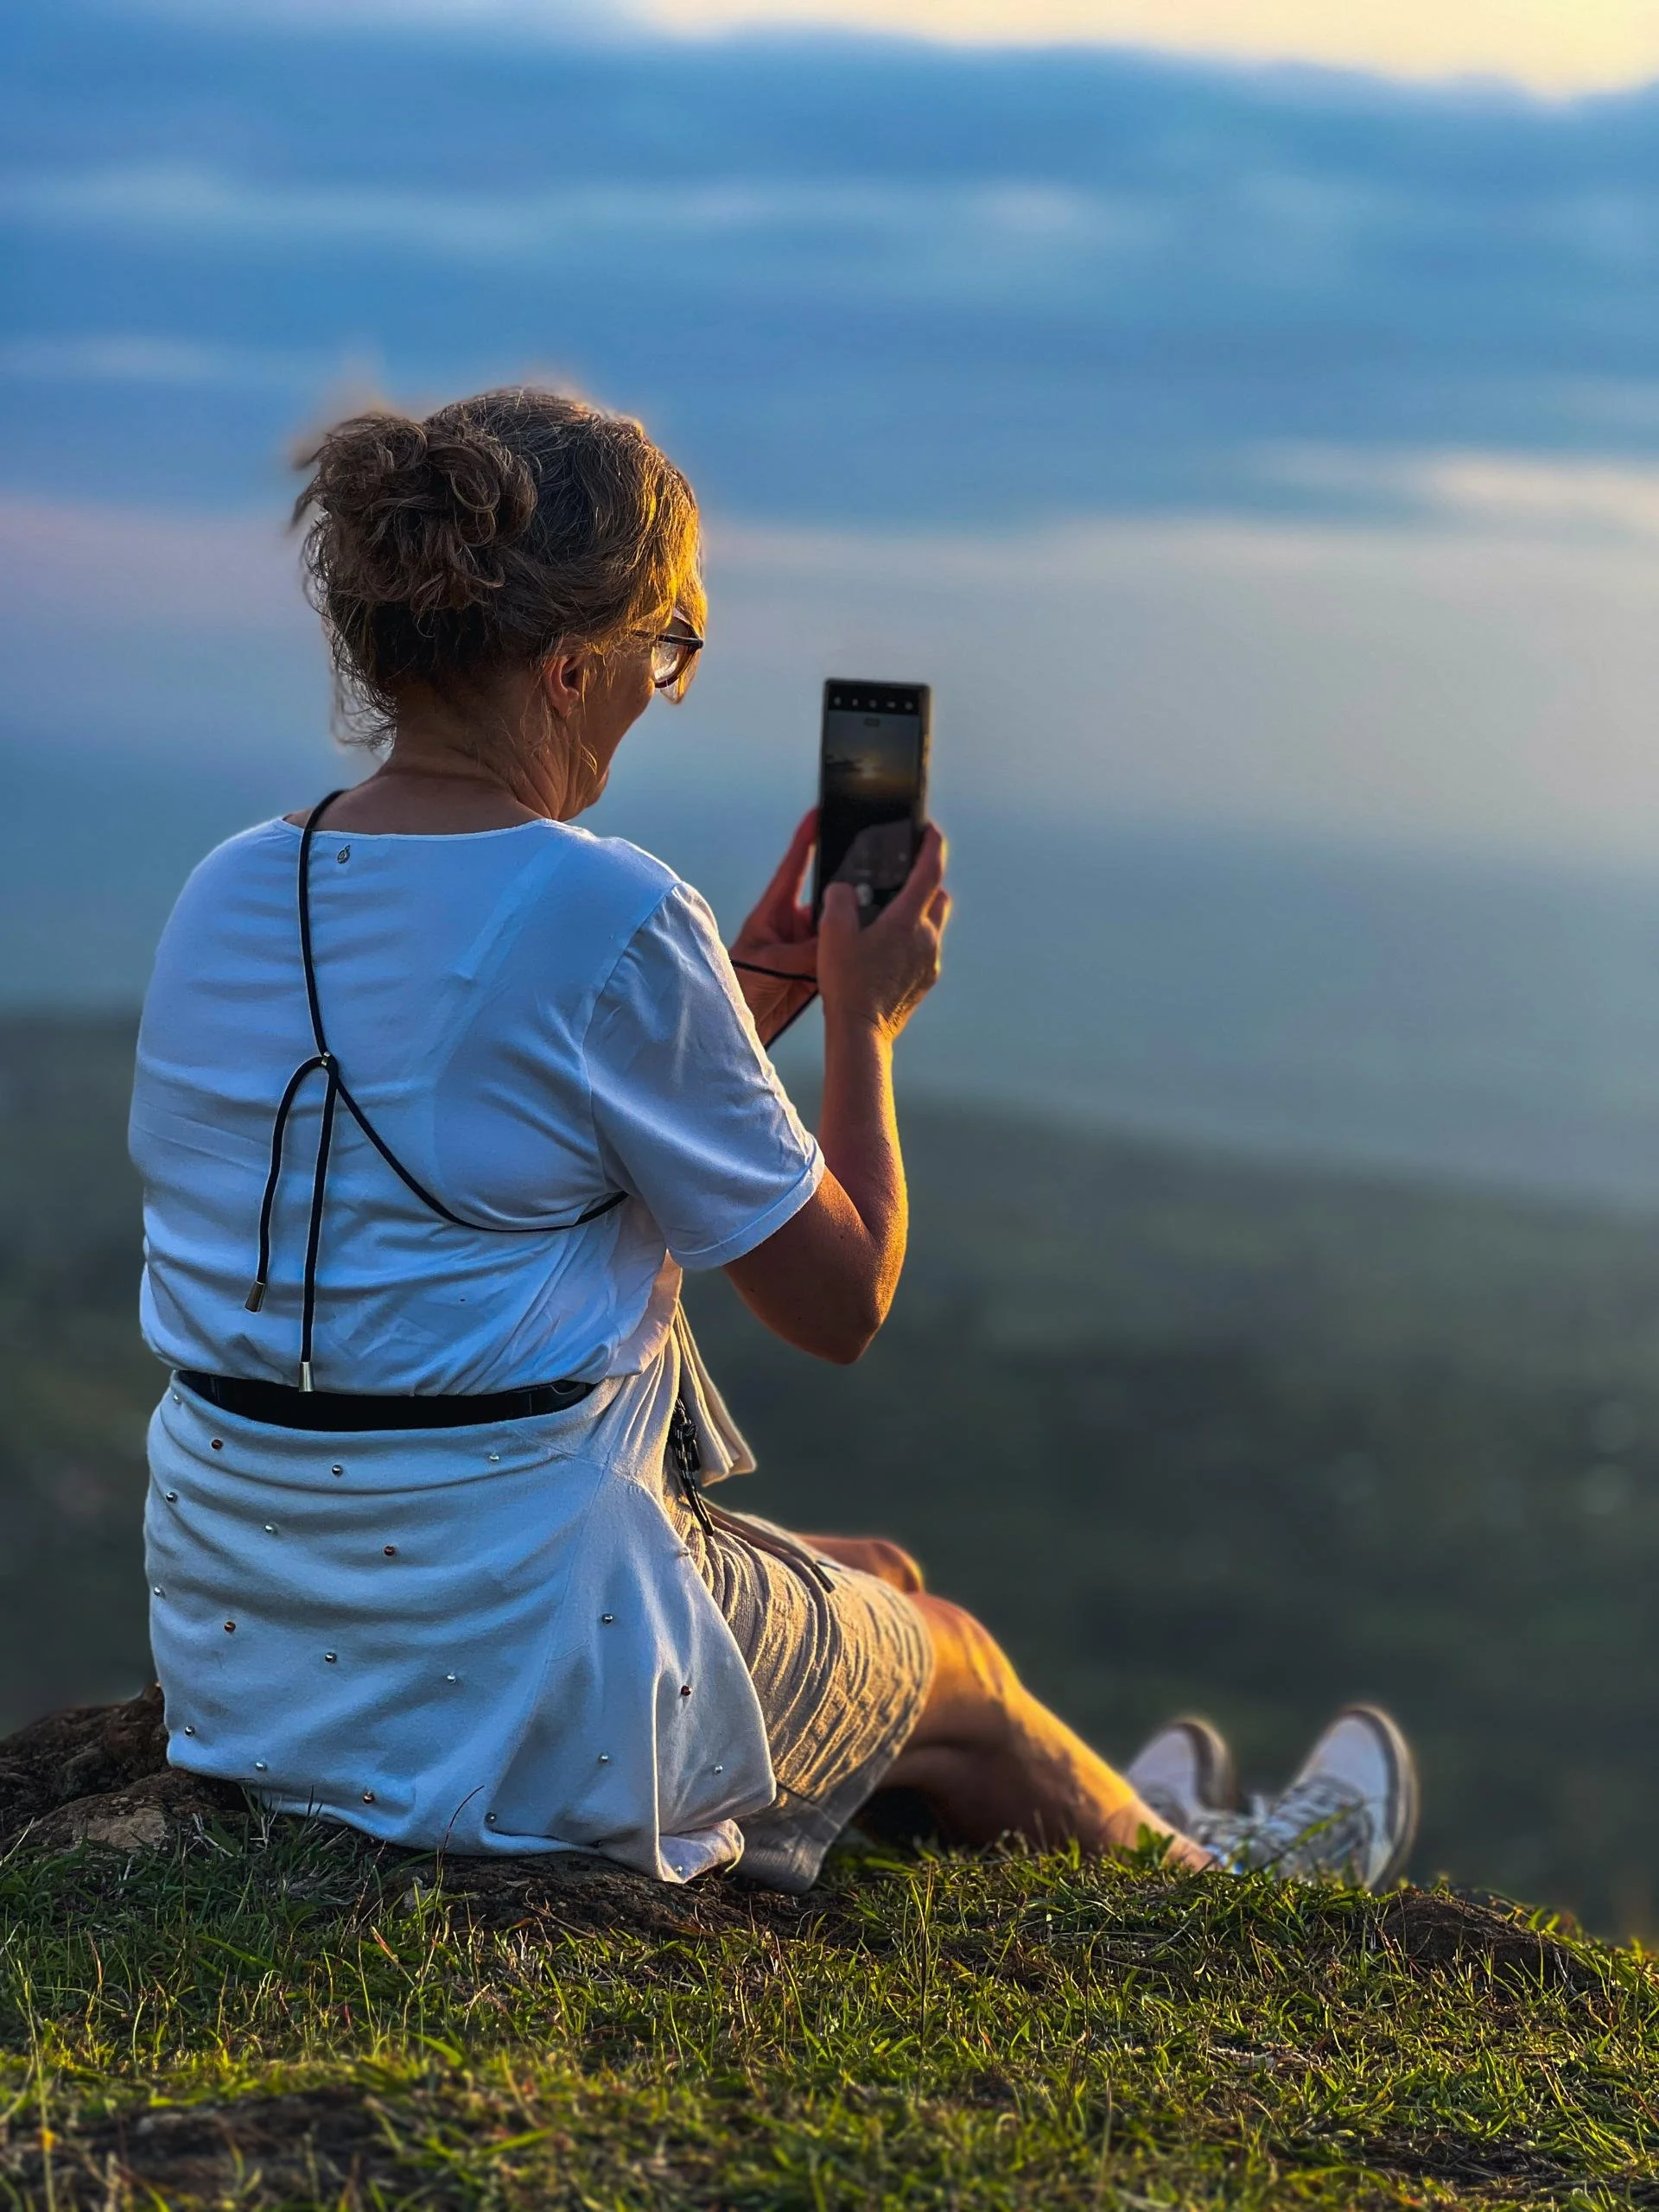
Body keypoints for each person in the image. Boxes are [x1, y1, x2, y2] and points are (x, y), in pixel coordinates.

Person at [130, 386, 1416, 1892]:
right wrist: (863, 1021)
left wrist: (743, 998)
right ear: (567, 666)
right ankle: (1240, 1884)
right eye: (661, 652)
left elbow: (477, 1130)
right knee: (964, 1663)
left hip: (256, 1642)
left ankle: (1081, 1817)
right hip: (506, 1681)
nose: (656, 691)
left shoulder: (232, 885)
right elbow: (840, 1301)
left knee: (869, 1577)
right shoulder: (604, 910)